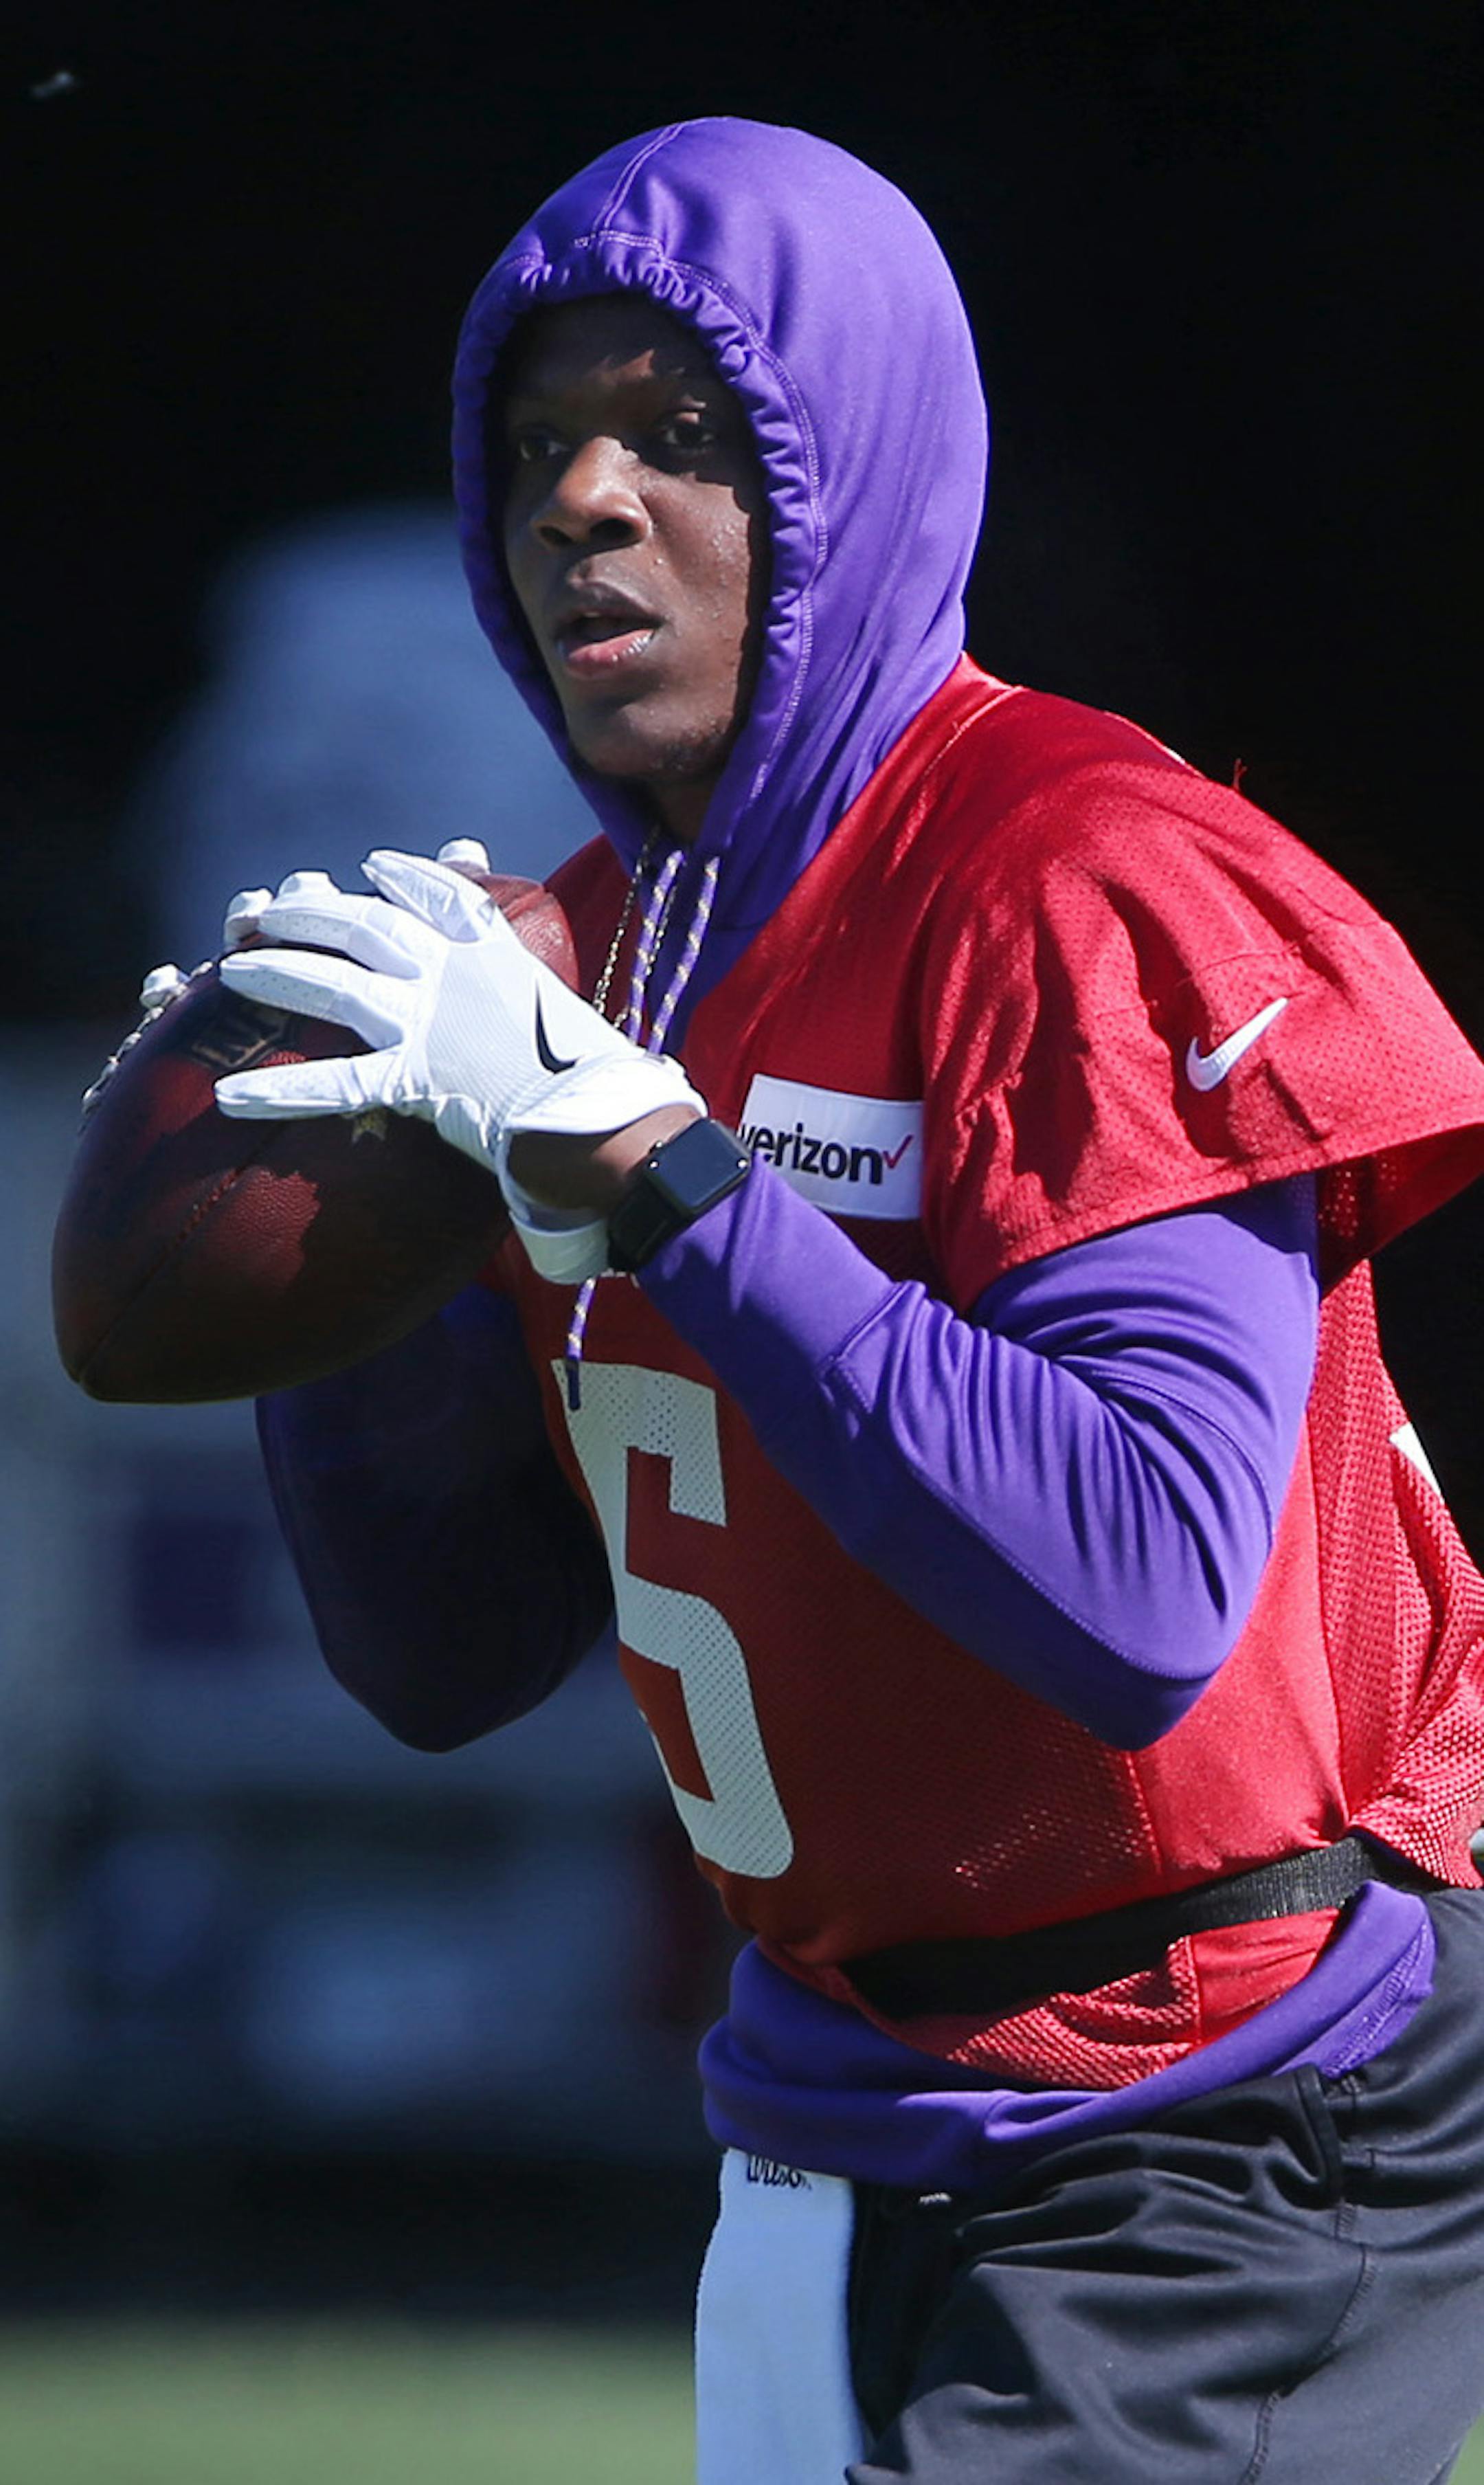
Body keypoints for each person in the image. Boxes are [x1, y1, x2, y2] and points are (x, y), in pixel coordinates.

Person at [199, 120, 1484, 2482]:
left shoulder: (1080, 879)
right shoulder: (579, 967)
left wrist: (664, 1178)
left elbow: (1139, 1589)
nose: (586, 501)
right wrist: (335, 1225)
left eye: (680, 433)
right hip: (838, 2098)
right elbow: (443, 1661)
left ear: (850, 469)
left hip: (1215, 2099)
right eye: (537, 445)